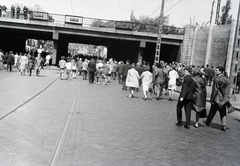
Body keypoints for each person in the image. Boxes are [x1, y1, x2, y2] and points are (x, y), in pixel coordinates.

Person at [203, 66, 231, 131]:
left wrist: (211, 99)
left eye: (216, 70)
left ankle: (208, 121)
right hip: (223, 99)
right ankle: (224, 125)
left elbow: (214, 90)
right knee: (223, 112)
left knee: (212, 110)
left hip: (217, 98)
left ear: (220, 71)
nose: (215, 71)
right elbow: (227, 90)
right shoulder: (226, 79)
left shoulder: (217, 79)